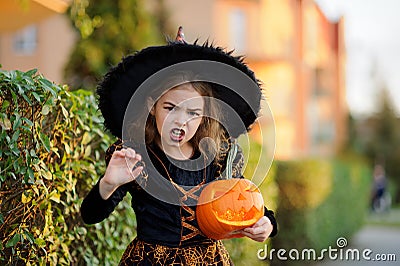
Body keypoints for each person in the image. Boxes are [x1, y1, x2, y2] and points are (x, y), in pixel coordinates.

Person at [81, 27, 278, 265]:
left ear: (205, 114)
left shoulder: (219, 158)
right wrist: (108, 184)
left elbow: (246, 202)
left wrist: (267, 223)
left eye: (193, 112)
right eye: (170, 108)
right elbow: (90, 215)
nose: (180, 120)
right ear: (152, 106)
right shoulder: (136, 157)